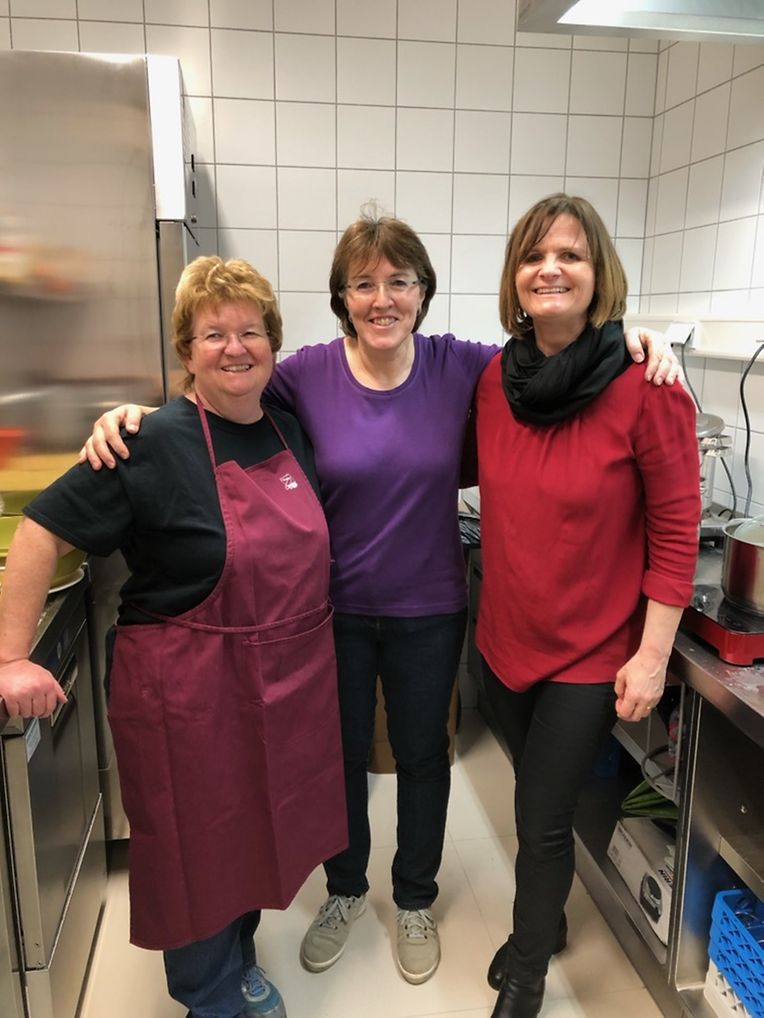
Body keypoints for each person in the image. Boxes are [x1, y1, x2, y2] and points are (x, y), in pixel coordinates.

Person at [78, 209, 681, 986]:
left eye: (399, 281)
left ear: (423, 292)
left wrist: (638, 340)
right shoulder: (305, 375)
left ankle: (416, 897)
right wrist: (137, 415)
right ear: (342, 298)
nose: (382, 298)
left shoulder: (464, 367)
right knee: (336, 757)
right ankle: (345, 890)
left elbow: (558, 355)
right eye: (363, 284)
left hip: (430, 608)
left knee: (424, 756)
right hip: (328, 611)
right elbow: (221, 395)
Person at [0, 256, 348, 1018]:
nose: (235, 347)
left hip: (280, 685)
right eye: (213, 333)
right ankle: (211, 998)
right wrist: (10, 656)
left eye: (250, 331)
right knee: (201, 848)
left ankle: (236, 965)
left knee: (255, 832)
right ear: (186, 351)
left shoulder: (287, 429)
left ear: (273, 343)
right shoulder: (148, 441)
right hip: (189, 694)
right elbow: (39, 529)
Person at [474, 194, 700, 1018]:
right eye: (535, 256)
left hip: (591, 653)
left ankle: (528, 970)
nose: (550, 269)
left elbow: (677, 530)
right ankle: (549, 922)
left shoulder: (647, 384)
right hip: (503, 641)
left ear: (598, 272)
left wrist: (651, 655)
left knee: (541, 816)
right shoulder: (496, 379)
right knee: (533, 800)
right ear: (515, 276)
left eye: (570, 254)